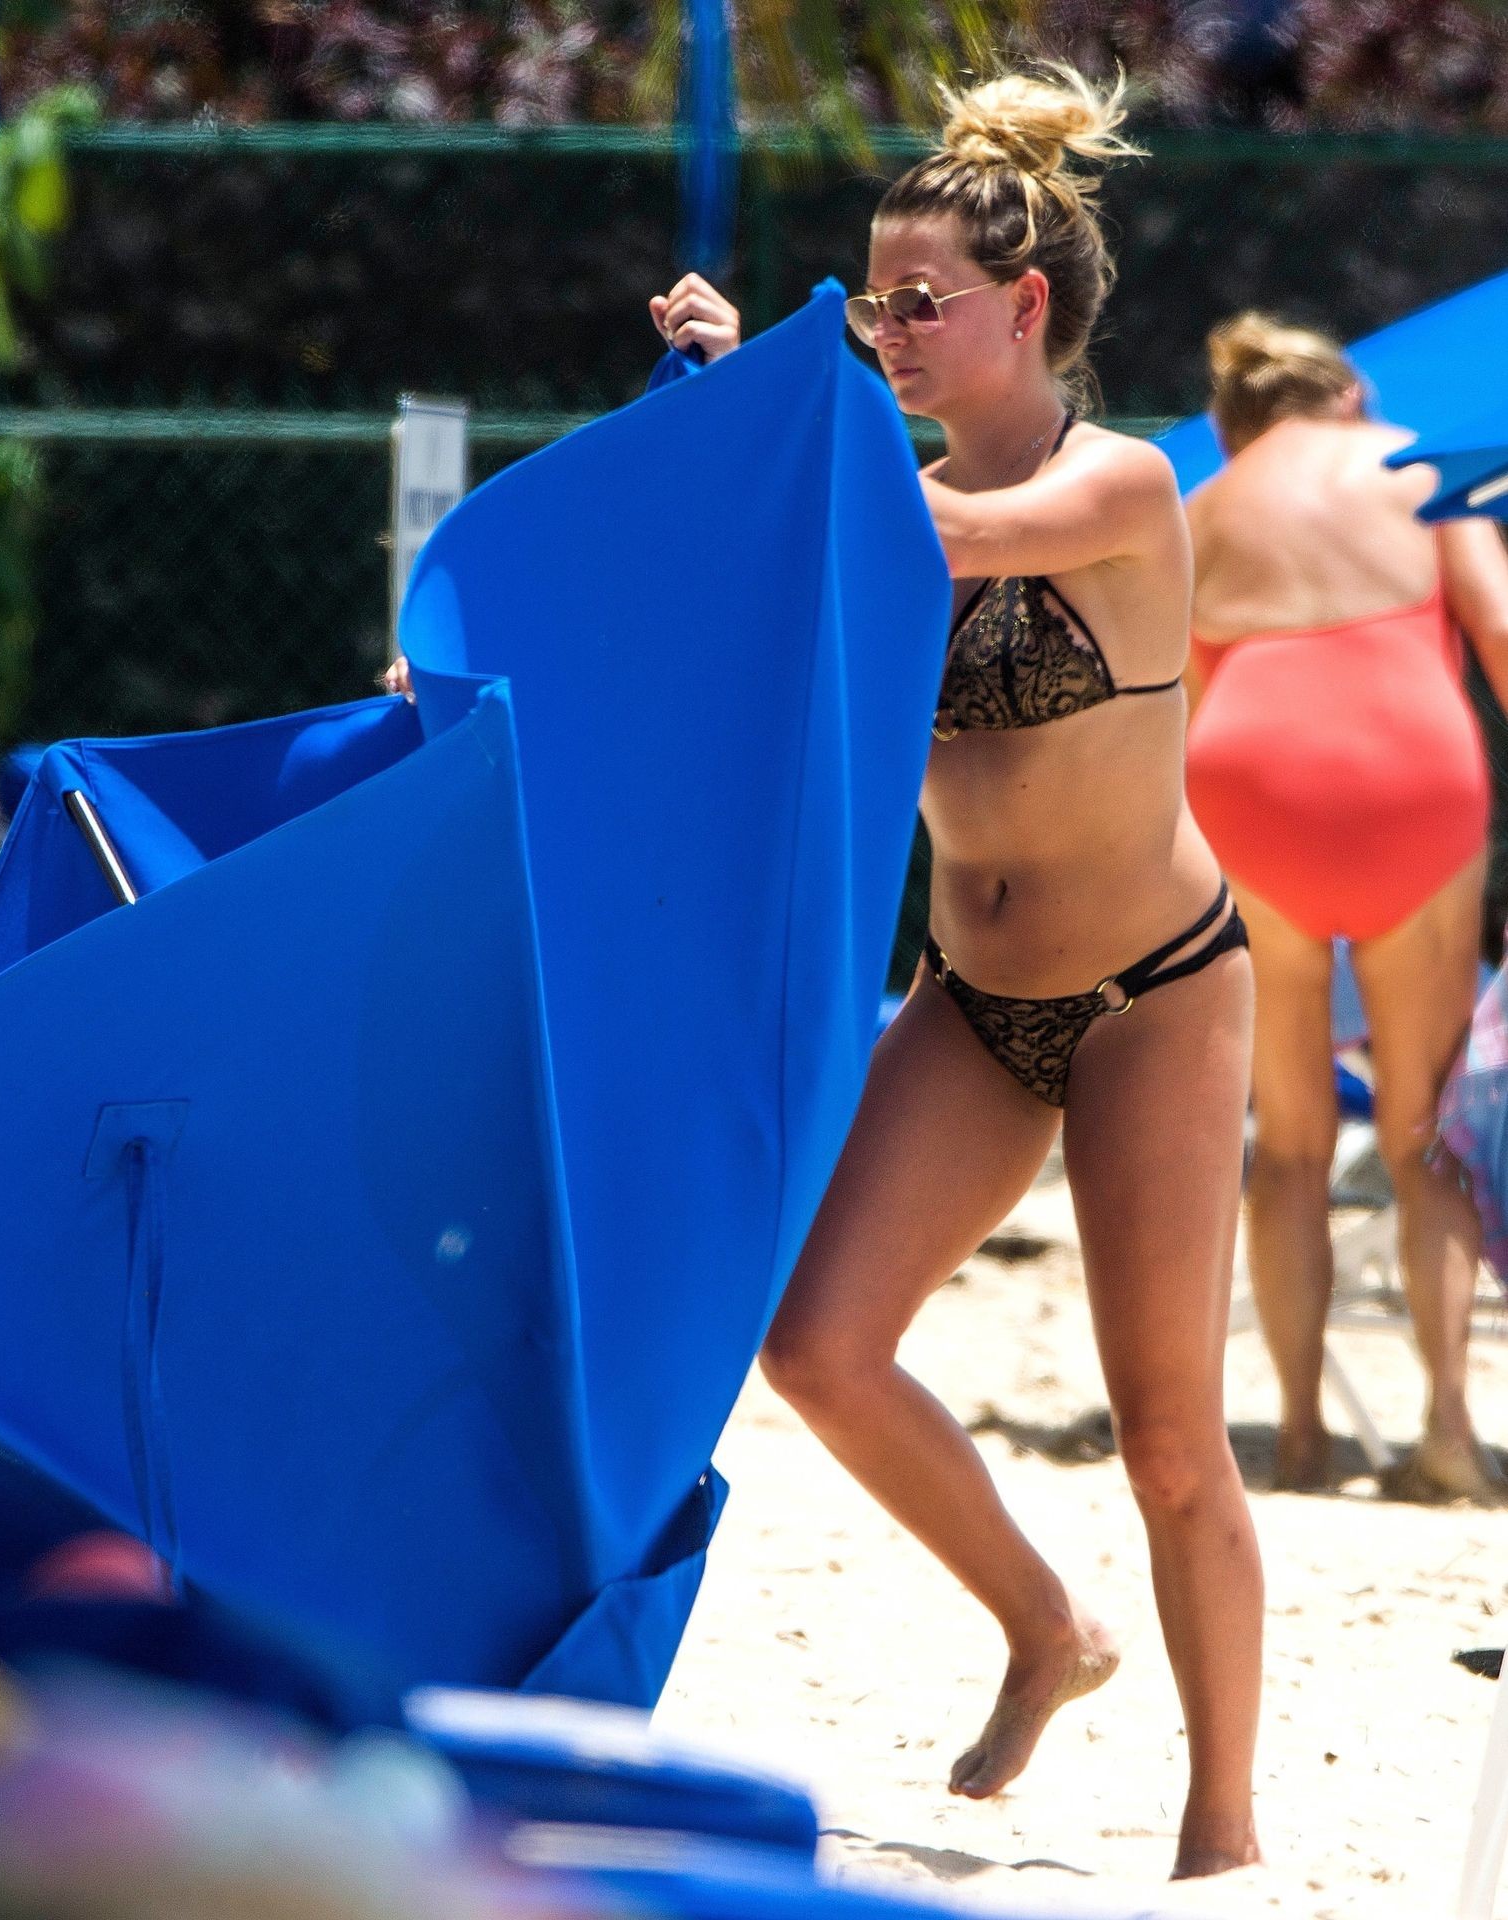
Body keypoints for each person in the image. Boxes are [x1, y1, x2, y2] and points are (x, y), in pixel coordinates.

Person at [651, 66, 1262, 1881]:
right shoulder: (884, 486)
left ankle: (1224, 1833)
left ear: (1026, 306)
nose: (890, 331)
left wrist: (776, 387)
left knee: (1168, 1441)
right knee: (819, 1350)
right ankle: (1044, 1626)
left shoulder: (1119, 486)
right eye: (871, 305)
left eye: (919, 303)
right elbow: (738, 620)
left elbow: (918, 540)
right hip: (977, 1001)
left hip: (1156, 990)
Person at [1185, 313, 1508, 1503]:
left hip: (1250, 786)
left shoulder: (1200, 506)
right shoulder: (1415, 466)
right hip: (1409, 776)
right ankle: (1445, 1427)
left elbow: (1173, 693)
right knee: (1422, 1132)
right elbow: (1498, 627)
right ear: (1348, 397)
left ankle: (1299, 1438)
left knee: (1287, 1144)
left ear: (1236, 426)